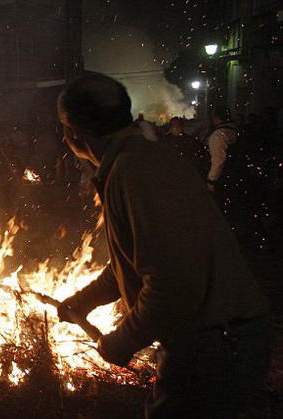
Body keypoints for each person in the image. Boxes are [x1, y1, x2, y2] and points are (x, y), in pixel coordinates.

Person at [56, 73, 271, 418]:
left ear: (74, 131)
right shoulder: (141, 159)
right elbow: (136, 261)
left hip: (215, 343)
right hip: (222, 337)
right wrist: (84, 300)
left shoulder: (132, 172)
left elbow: (172, 286)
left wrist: (121, 341)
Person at [206, 106, 248, 240]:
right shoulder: (237, 130)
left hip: (224, 176)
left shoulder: (218, 135)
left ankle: (224, 236)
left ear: (215, 118)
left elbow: (218, 160)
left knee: (222, 207)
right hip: (239, 173)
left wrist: (211, 180)